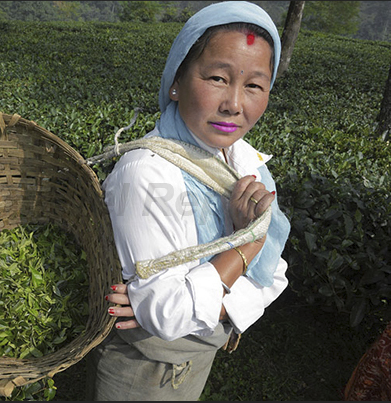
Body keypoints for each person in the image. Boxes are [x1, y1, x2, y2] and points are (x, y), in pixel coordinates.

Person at [85, 1, 291, 400]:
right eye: (217, 77)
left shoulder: (245, 160)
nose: (234, 103)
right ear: (175, 82)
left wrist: (206, 303)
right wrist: (248, 243)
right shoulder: (146, 173)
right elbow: (170, 315)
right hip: (144, 373)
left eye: (254, 85)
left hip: (196, 361)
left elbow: (277, 273)